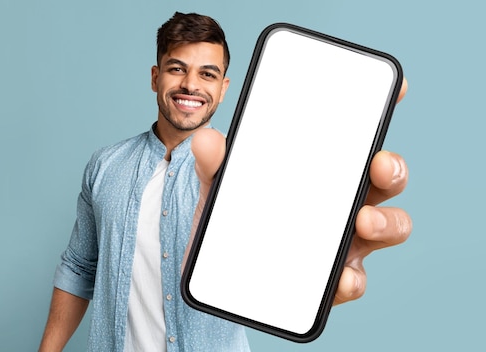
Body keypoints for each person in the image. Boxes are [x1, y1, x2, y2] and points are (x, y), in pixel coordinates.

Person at [38, 12, 412, 352]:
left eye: (207, 74)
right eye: (176, 68)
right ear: (155, 77)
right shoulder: (105, 165)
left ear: (223, 87)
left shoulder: (251, 172)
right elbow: (79, 268)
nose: (190, 85)